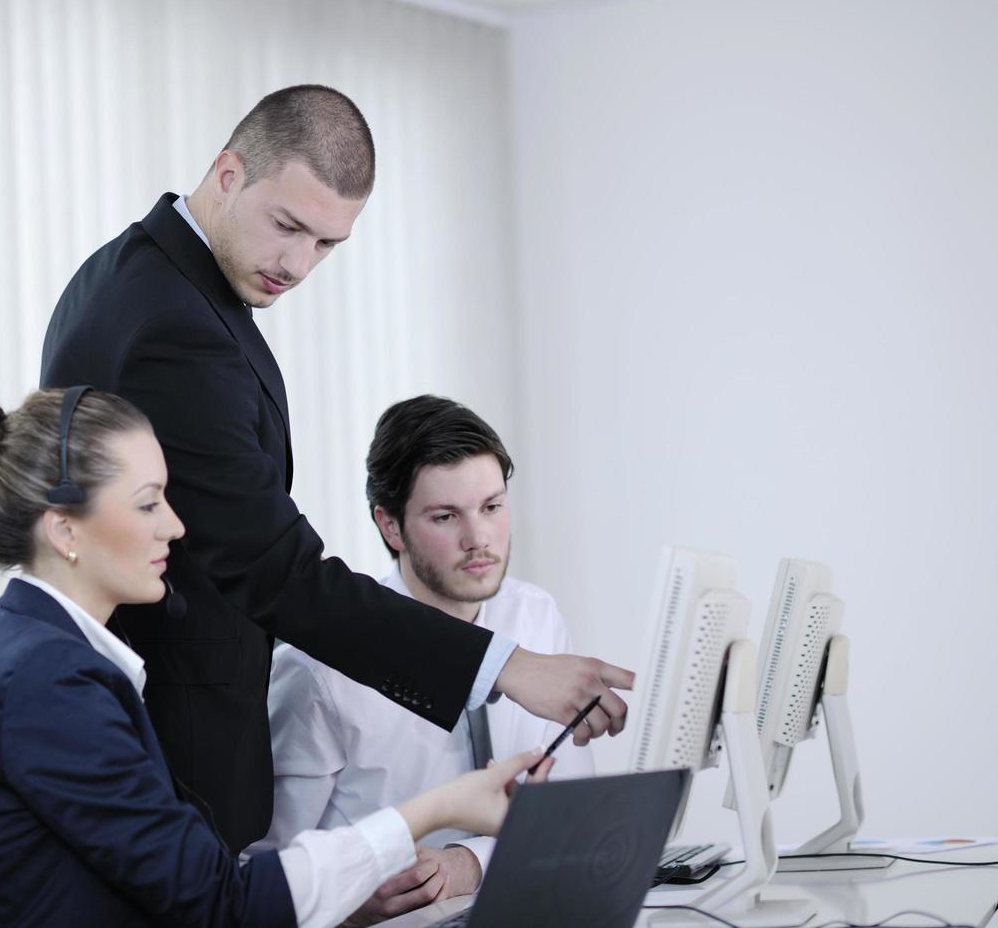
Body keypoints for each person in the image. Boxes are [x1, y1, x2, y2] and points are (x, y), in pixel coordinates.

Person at [41, 83, 631, 850]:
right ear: (228, 174)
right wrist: (503, 667)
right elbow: (271, 567)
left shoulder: (140, 276)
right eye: (286, 226)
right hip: (173, 746)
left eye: (326, 244)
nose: (298, 264)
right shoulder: (174, 326)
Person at [0, 386, 554, 927]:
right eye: (147, 504)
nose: (175, 525)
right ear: (64, 530)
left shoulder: (46, 656)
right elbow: (218, 904)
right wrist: (438, 810)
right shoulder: (47, 679)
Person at [254, 396, 595, 924]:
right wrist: (345, 907)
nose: (478, 539)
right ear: (391, 527)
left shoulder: (534, 616)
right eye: (445, 516)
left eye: (492, 507)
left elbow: (572, 815)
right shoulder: (317, 667)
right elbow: (262, 868)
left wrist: (468, 864)